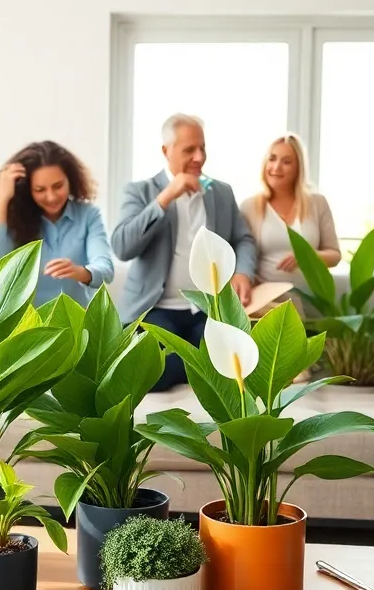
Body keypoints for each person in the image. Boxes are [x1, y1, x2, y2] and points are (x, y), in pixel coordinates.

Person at [111, 113, 256, 392]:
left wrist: (243, 272)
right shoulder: (140, 191)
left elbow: (243, 238)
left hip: (205, 309)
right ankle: (194, 364)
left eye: (202, 148)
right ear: (166, 151)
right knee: (153, 371)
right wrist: (165, 198)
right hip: (154, 308)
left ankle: (192, 361)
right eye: (189, 149)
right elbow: (122, 247)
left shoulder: (221, 193)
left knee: (233, 363)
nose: (199, 157)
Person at [0, 141, 114, 307]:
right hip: (30, 325)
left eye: (58, 186)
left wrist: (81, 272)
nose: (51, 197)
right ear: (28, 189)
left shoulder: (88, 215)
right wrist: (2, 200)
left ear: (70, 180)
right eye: (40, 190)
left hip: (77, 323)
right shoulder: (15, 220)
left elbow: (106, 269)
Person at [240, 133, 341, 289]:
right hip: (266, 303)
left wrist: (306, 256)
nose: (276, 167)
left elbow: (335, 255)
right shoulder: (250, 207)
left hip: (312, 300)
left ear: (298, 168)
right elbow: (242, 256)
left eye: (286, 162)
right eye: (272, 159)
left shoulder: (317, 203)